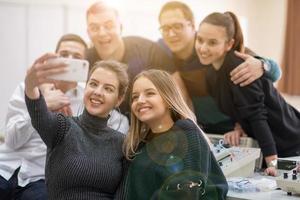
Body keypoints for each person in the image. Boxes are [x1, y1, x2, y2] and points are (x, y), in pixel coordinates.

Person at [195, 11, 300, 176]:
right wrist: (239, 127)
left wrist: (272, 163)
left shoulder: (239, 68)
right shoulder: (211, 73)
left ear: (229, 44)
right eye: (200, 40)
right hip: (275, 147)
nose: (203, 48)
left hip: (292, 141)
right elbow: (239, 107)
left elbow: (257, 117)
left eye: (212, 42)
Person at [158, 1, 282, 138]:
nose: (171, 33)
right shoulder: (163, 55)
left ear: (192, 26)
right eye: (165, 28)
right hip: (207, 132)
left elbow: (275, 73)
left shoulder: (216, 48)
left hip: (240, 130)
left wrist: (263, 65)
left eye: (177, 26)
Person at [24, 59, 129, 199]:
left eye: (108, 89)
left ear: (119, 99)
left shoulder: (122, 143)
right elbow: (38, 112)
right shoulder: (62, 127)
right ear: (85, 87)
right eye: (93, 84)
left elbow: (123, 194)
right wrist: (30, 84)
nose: (98, 92)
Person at [123, 69, 228, 199]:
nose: (140, 100)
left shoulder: (186, 131)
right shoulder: (139, 144)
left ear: (168, 99)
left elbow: (188, 192)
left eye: (150, 93)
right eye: (135, 97)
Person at [86, 1, 186, 116]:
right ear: (88, 32)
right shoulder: (84, 59)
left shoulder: (150, 51)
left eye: (109, 26)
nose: (102, 33)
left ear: (121, 27)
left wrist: (186, 130)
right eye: (94, 28)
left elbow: (180, 97)